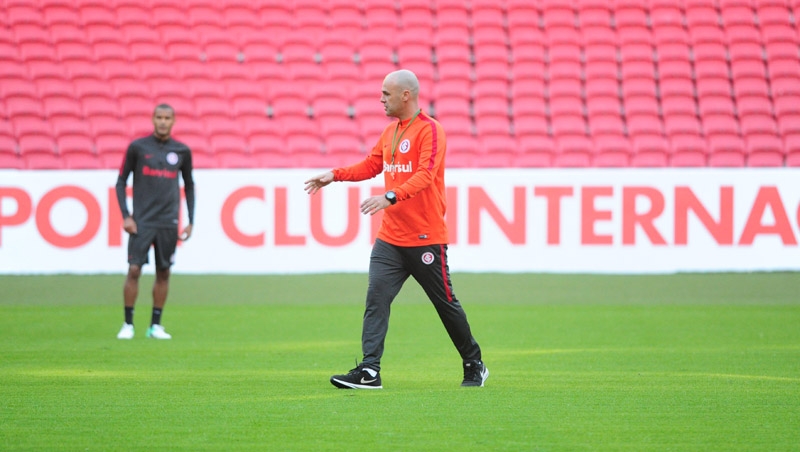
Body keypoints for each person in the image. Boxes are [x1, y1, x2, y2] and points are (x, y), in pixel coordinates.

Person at [304, 69, 488, 389]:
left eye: (386, 94)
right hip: (390, 238)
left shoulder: (431, 130)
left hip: (425, 238)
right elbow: (371, 165)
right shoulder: (391, 131)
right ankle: (369, 370)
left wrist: (389, 196)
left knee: (445, 304)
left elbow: (425, 175)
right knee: (377, 298)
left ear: (406, 95)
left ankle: (474, 363)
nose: (381, 99)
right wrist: (335, 175)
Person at [115, 104, 195, 340]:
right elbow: (121, 182)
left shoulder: (182, 151)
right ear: (153, 119)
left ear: (173, 121)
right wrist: (126, 216)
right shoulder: (138, 148)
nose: (162, 122)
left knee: (164, 272)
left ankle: (155, 326)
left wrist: (191, 220)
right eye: (159, 117)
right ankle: (128, 324)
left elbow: (189, 185)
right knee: (134, 269)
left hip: (168, 221)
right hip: (142, 221)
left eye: (167, 118)